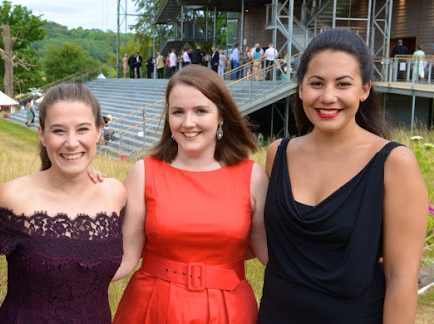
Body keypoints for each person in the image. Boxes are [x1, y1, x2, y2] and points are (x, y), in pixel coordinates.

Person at [257, 28, 428, 323]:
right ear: (300, 88)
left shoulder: (393, 164)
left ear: (364, 90)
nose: (328, 96)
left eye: (343, 84)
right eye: (317, 83)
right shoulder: (278, 154)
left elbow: (401, 276)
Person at [112, 64, 269, 323]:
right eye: (178, 112)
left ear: (221, 116)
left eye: (200, 111)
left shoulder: (253, 177)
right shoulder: (143, 172)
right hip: (153, 306)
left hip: (228, 310)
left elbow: (267, 254)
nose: (188, 123)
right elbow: (126, 258)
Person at [0, 83, 126, 323]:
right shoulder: (11, 199)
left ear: (98, 131)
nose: (71, 143)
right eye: (59, 131)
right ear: (42, 134)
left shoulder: (115, 193)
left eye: (82, 129)